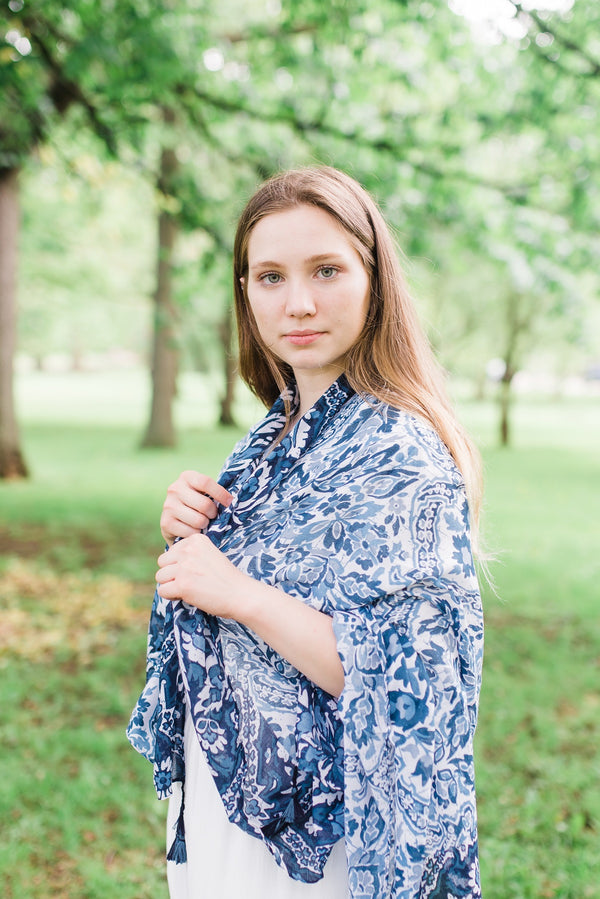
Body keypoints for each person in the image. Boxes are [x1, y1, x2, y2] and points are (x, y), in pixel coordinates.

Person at [127, 166, 484, 899]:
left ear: (374, 278)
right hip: (238, 799)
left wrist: (237, 592)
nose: (298, 302)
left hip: (322, 836)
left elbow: (405, 679)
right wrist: (198, 527)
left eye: (326, 269)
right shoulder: (274, 436)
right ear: (244, 291)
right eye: (268, 276)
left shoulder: (400, 452)